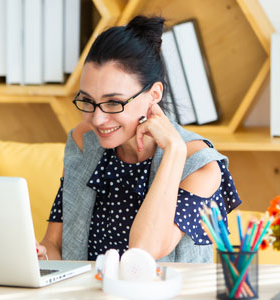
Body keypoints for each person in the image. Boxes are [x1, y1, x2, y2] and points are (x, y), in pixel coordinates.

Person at [35, 15, 241, 263]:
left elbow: (145, 249)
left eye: (113, 102)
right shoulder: (84, 141)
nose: (98, 119)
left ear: (153, 94)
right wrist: (40, 255)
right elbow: (55, 243)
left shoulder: (200, 165)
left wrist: (174, 150)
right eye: (88, 101)